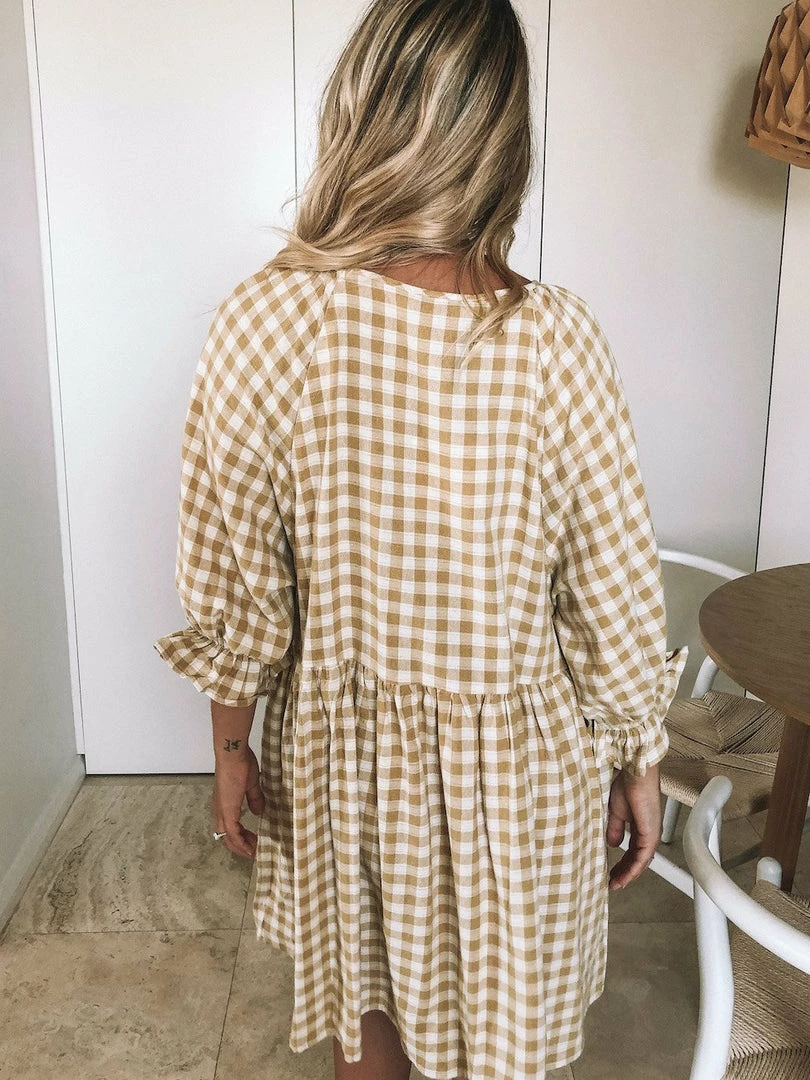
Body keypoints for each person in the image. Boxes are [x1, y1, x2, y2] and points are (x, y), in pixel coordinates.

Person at [154, 1, 688, 1078]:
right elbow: (612, 596)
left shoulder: (264, 325)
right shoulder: (559, 340)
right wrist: (639, 759)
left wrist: (230, 751)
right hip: (523, 776)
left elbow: (239, 596)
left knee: (368, 1018)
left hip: (346, 767)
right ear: (503, 141)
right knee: (506, 1026)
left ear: (361, 107)